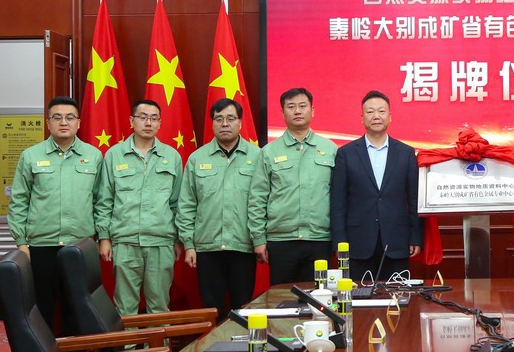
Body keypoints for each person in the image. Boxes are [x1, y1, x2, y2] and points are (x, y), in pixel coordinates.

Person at [8, 96, 101, 334]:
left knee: (78, 307)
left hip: (80, 245)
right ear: (48, 122)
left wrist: (101, 238)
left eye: (70, 117)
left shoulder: (94, 156)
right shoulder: (31, 156)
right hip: (42, 245)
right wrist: (21, 243)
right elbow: (19, 201)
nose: (64, 122)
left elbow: (101, 202)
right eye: (57, 117)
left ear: (78, 123)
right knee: (43, 307)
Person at [96, 99, 183, 315]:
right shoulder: (114, 155)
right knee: (125, 309)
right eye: (143, 117)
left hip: (160, 242)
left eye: (154, 118)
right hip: (125, 242)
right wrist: (104, 237)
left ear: (160, 123)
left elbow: (177, 203)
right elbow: (105, 200)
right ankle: (129, 341)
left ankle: (157, 340)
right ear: (131, 121)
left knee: (159, 308)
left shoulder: (171, 156)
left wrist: (178, 238)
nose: (148, 123)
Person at [176, 98, 260, 318]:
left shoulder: (257, 157)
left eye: (230, 118)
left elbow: (263, 202)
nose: (225, 124)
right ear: (212, 123)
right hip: (207, 248)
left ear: (240, 122)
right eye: (219, 119)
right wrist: (189, 244)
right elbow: (187, 204)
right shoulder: (197, 158)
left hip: (243, 246)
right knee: (211, 310)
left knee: (243, 309)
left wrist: (260, 239)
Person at [330, 90, 421, 281]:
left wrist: (415, 237)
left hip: (397, 240)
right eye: (370, 112)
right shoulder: (346, 154)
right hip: (357, 242)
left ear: (390, 116)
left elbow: (414, 199)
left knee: (397, 295)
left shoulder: (406, 153)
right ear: (362, 118)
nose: (376, 116)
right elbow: (338, 202)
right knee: (359, 294)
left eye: (381, 111)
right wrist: (339, 240)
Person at [249, 88, 336, 286]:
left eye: (302, 106)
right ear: (282, 113)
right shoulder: (269, 152)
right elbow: (257, 198)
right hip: (281, 241)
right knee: (280, 297)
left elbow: (338, 197)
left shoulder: (330, 149)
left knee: (317, 297)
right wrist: (259, 239)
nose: (297, 111)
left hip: (319, 239)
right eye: (291, 107)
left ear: (312, 110)